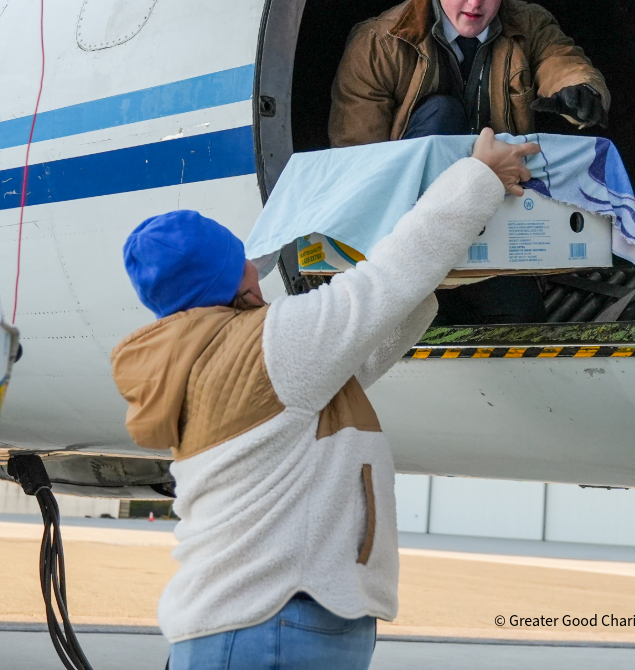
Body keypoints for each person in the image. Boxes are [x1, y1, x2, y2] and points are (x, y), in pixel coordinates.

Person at [111, 129, 539, 670]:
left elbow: (355, 355)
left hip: (254, 623)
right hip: (273, 624)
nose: (253, 266)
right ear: (228, 276)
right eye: (240, 259)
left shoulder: (215, 360)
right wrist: (479, 176)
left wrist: (436, 278)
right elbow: (383, 281)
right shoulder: (269, 346)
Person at [329, 0, 610, 325]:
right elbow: (360, 159)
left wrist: (578, 89)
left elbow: (559, 58)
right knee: (442, 114)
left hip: (497, 215)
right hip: (411, 226)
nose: (475, 1)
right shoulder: (377, 44)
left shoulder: (528, 23)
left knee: (520, 323)